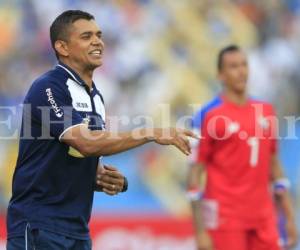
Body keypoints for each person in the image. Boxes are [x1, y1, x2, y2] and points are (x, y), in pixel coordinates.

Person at [6, 10, 197, 250]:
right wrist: (150, 132)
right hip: (38, 225)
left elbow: (81, 155)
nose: (97, 41)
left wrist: (101, 177)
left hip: (76, 229)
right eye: (86, 36)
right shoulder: (49, 88)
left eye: (99, 35)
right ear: (62, 47)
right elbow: (85, 143)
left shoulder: (95, 96)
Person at [186, 45, 298, 250]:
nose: (241, 71)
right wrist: (201, 231)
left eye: (244, 65)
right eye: (233, 66)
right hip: (226, 219)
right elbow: (195, 173)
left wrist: (289, 217)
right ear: (220, 75)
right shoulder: (207, 116)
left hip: (263, 216)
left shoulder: (266, 111)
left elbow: (274, 165)